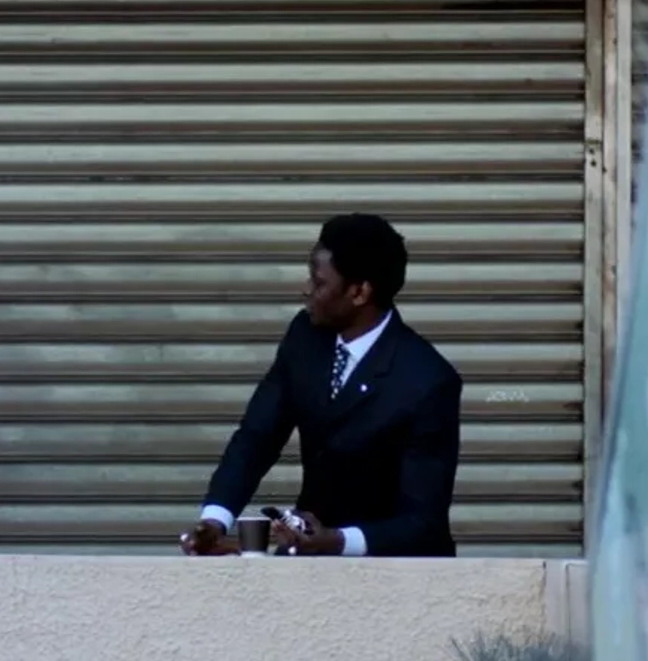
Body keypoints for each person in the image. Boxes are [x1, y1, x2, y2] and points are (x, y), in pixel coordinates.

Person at [179, 213, 462, 558]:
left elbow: (422, 522)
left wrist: (338, 540)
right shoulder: (306, 337)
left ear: (359, 292)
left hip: (394, 570)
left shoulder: (427, 381)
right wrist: (215, 520)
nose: (306, 290)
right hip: (310, 557)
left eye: (319, 282)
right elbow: (256, 437)